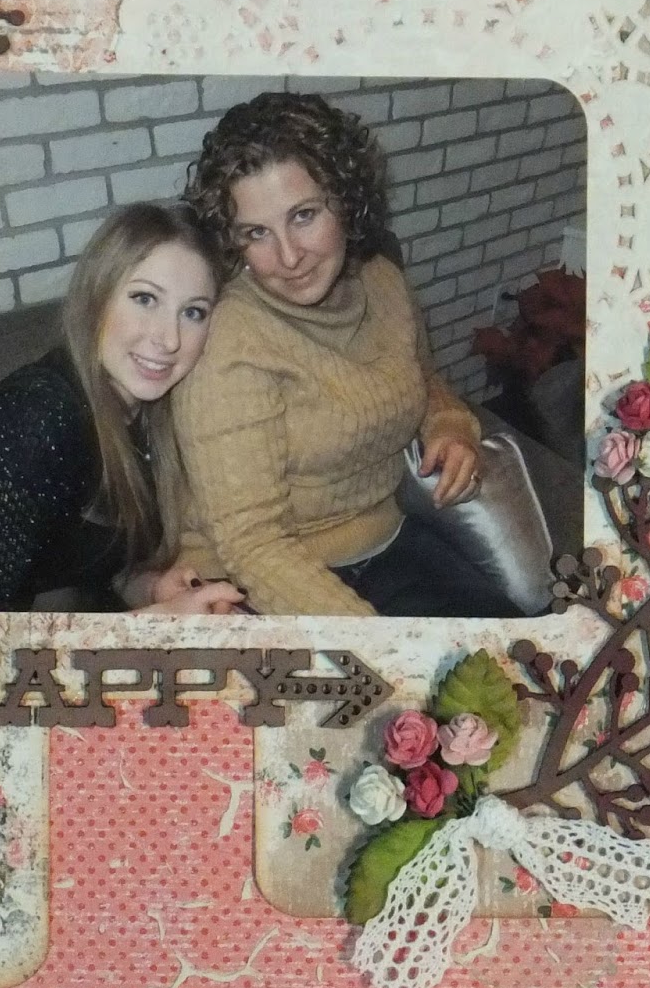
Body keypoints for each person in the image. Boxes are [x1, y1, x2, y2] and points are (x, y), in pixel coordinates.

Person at [172, 92, 554, 618]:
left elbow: (422, 376)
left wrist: (448, 425)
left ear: (347, 201)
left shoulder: (383, 282)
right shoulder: (232, 343)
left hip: (384, 538)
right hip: (260, 579)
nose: (289, 256)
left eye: (304, 215)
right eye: (256, 233)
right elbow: (252, 544)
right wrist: (367, 641)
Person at [0, 203, 244, 615]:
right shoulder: (35, 422)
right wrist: (158, 622)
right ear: (96, 298)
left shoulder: (146, 410)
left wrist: (155, 589)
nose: (169, 339)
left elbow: (93, 566)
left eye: (193, 312)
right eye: (145, 298)